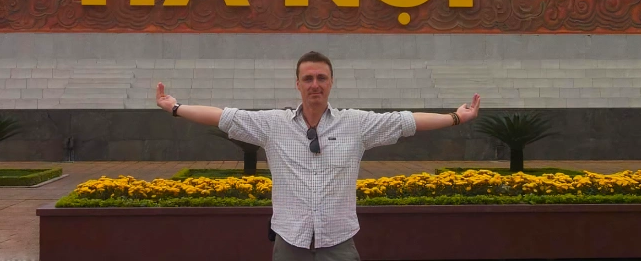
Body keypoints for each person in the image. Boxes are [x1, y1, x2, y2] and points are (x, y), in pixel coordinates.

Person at [155, 51, 482, 261]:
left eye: (321, 78)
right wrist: (176, 108)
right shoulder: (273, 124)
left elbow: (406, 121)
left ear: (331, 83)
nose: (315, 84)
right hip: (289, 243)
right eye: (308, 78)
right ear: (297, 84)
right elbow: (223, 117)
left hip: (339, 244)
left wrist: (456, 117)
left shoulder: (356, 124)